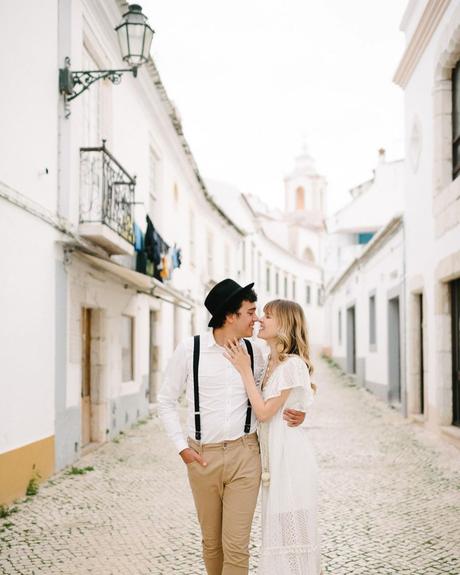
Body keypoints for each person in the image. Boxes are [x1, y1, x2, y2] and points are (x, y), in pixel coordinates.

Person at [158, 279, 306, 575]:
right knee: (212, 543)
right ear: (230, 316)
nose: (257, 319)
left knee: (237, 546)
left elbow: (278, 389)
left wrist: (299, 412)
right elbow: (165, 400)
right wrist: (182, 448)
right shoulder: (190, 350)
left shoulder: (259, 352)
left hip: (245, 456)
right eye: (251, 312)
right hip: (202, 457)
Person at [224, 299, 321, 575]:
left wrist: (243, 370)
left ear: (285, 325)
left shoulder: (291, 365)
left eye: (268, 316)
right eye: (261, 314)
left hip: (289, 459)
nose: (260, 320)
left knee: (292, 536)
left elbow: (265, 412)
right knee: (278, 532)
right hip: (272, 459)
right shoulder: (268, 361)